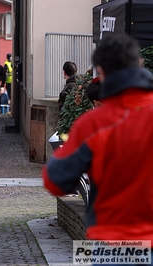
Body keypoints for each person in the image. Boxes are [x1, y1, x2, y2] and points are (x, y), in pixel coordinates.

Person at [43, 34, 153, 259]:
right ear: (139, 63)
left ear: (100, 72)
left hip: (113, 244)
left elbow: (55, 181)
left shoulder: (94, 124)